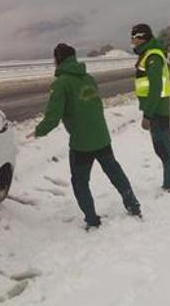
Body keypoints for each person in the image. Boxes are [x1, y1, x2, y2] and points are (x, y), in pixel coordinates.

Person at [34, 43, 141, 230]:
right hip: (101, 136)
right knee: (114, 171)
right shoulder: (89, 78)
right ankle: (133, 204)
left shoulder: (61, 83)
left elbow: (53, 116)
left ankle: (92, 220)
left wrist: (38, 131)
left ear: (57, 59)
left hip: (81, 143)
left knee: (80, 181)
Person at [131, 23, 170, 191]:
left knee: (164, 148)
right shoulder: (148, 54)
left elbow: (155, 87)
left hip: (157, 109)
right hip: (157, 108)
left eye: (134, 38)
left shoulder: (153, 56)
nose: (132, 42)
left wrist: (148, 114)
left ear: (141, 38)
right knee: (161, 147)